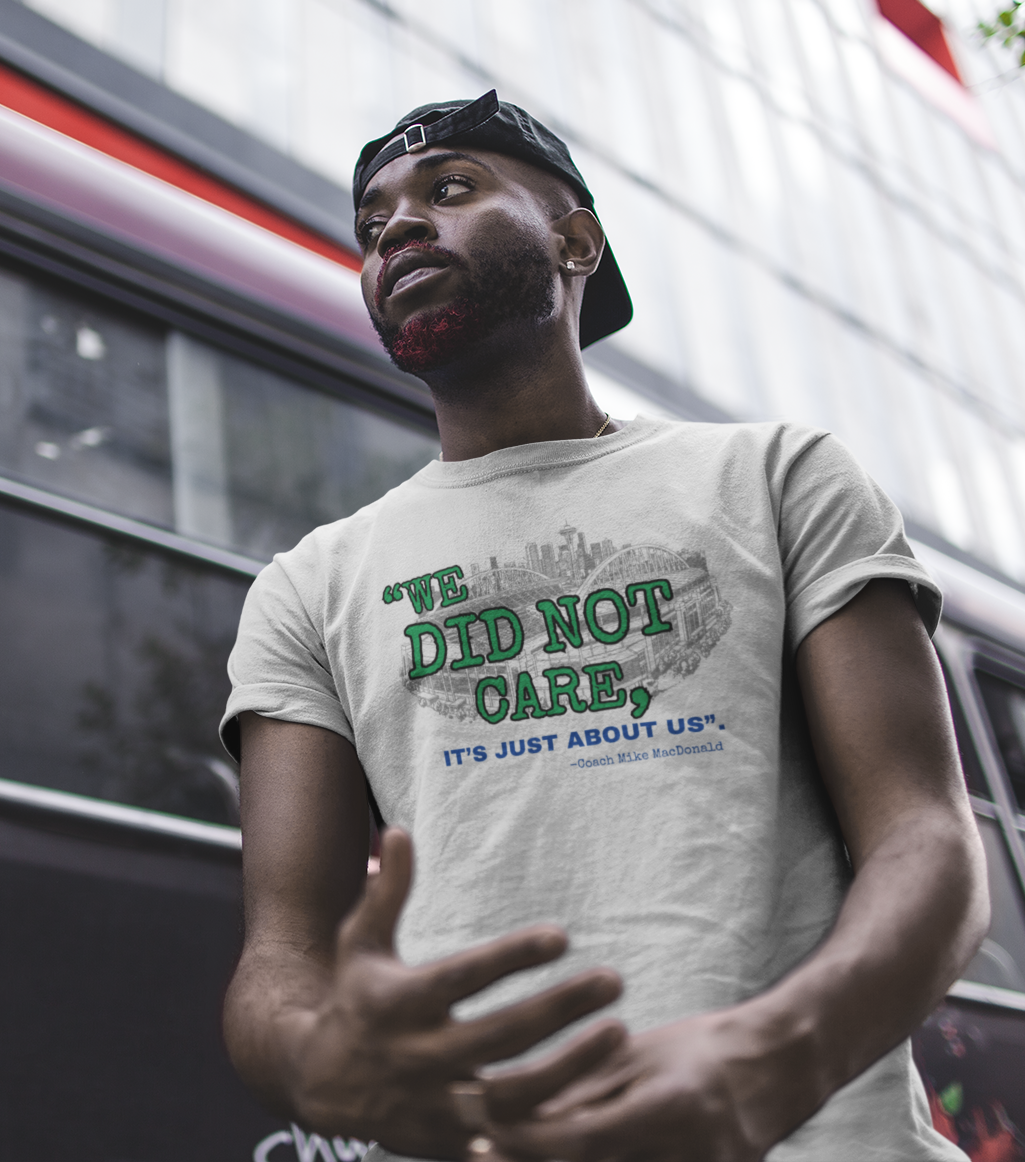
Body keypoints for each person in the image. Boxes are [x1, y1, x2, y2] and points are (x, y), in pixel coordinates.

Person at [220, 89, 989, 1162]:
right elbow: (280, 955)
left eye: (450, 188)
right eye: (371, 223)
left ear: (574, 242)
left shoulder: (778, 477)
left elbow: (926, 837)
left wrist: (772, 1057)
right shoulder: (307, 587)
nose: (396, 229)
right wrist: (314, 1055)